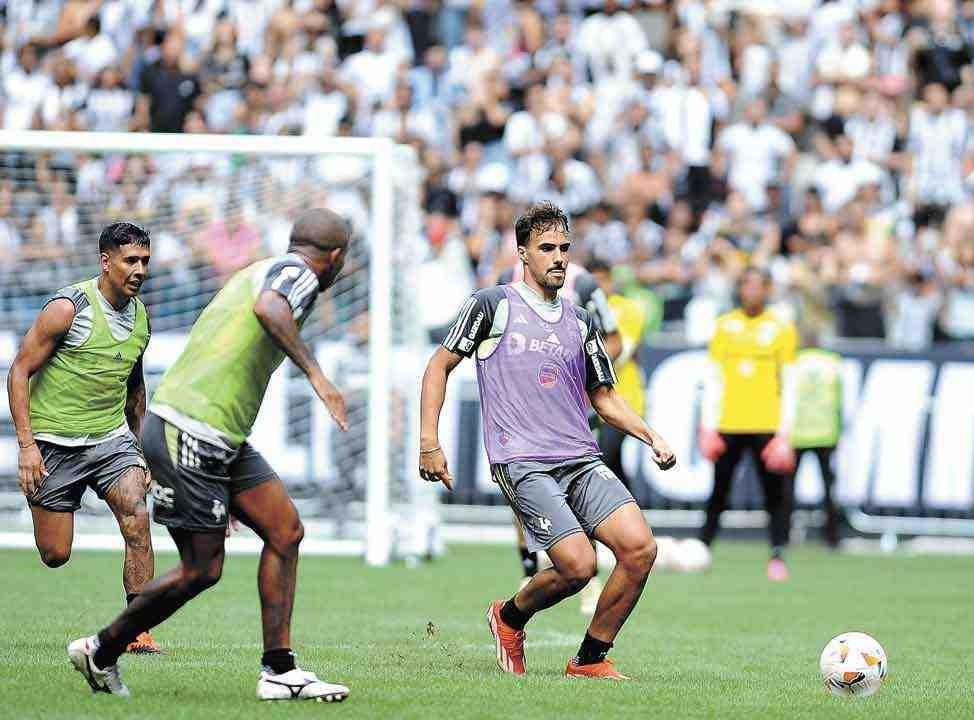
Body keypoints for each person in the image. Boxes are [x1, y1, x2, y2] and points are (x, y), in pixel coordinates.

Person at [66, 209, 353, 700]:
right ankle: (102, 648)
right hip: (189, 429)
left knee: (285, 530)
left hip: (216, 436)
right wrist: (318, 376)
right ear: (336, 257)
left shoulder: (259, 268)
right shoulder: (297, 273)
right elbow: (270, 309)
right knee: (203, 568)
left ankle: (279, 670)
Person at [420, 202, 676, 680]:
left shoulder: (581, 320)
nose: (559, 258)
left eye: (564, 248)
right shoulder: (490, 305)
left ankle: (589, 660)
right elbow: (439, 366)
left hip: (580, 458)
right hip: (522, 460)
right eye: (546, 249)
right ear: (523, 254)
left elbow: (604, 397)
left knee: (640, 549)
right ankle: (509, 617)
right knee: (579, 566)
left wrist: (650, 435)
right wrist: (429, 441)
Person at [6, 221, 159, 655]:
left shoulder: (142, 316)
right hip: (52, 443)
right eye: (131, 260)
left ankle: (137, 630)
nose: (140, 269)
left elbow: (135, 389)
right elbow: (18, 371)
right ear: (105, 262)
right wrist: (27, 447)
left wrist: (141, 450)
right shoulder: (68, 308)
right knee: (55, 553)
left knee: (138, 519)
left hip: (111, 440)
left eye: (145, 260)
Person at [496, 255, 623, 612]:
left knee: (581, 485)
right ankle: (528, 568)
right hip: (523, 410)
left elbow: (614, 340)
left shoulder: (583, 284)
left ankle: (590, 578)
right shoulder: (506, 281)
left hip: (573, 410)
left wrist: (584, 375)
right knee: (520, 485)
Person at [698, 267, 798, 581]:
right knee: (719, 490)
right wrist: (707, 426)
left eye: (758, 286)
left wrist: (785, 433)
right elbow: (713, 378)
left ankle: (778, 553)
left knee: (775, 494)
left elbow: (790, 382)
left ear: (767, 290)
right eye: (747, 285)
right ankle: (704, 549)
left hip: (766, 423)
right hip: (729, 422)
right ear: (740, 289)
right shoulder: (725, 326)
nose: (752, 292)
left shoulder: (780, 328)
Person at [588, 259, 647, 489]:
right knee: (612, 466)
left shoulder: (627, 308)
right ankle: (633, 518)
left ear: (611, 280)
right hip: (595, 401)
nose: (598, 286)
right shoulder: (581, 306)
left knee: (602, 459)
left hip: (624, 398)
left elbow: (621, 352)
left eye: (602, 280)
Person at [780, 337, 843, 549]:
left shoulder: (793, 362)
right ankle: (832, 537)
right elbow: (842, 399)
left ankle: (783, 535)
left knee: (787, 489)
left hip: (797, 433)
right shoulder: (832, 362)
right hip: (826, 433)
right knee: (828, 489)